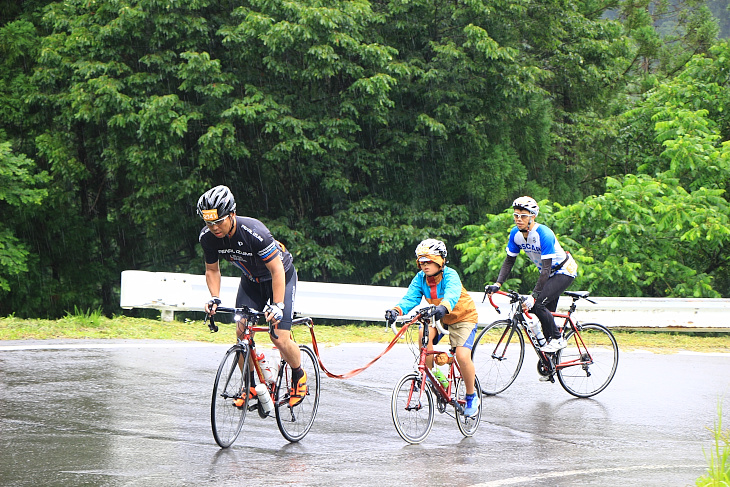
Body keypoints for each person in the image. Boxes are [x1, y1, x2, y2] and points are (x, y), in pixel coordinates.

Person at [197, 185, 306, 407]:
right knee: (241, 331)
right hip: (251, 282)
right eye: (209, 223)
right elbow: (212, 270)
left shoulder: (255, 232)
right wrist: (215, 297)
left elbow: (276, 270)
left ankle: (299, 376)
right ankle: (250, 387)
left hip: (280, 276)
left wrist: (277, 305)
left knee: (279, 337)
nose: (214, 228)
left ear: (232, 215)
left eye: (219, 221)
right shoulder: (208, 238)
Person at [385, 239, 480, 417]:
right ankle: (431, 377)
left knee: (461, 355)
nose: (425, 265)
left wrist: (443, 308)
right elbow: (410, 298)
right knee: (422, 333)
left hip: (463, 317)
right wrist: (396, 310)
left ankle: (471, 396)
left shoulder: (451, 275)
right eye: (421, 261)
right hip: (439, 315)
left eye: (429, 260)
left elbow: (451, 294)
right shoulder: (420, 278)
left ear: (441, 260)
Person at [484, 196, 578, 358]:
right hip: (548, 273)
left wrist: (534, 296)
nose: (518, 219)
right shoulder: (515, 234)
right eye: (516, 215)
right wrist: (498, 284)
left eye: (523, 216)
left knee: (537, 304)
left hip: (563, 271)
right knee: (545, 314)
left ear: (532, 216)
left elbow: (546, 269)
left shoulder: (544, 233)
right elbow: (509, 261)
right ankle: (551, 364)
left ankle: (558, 338)